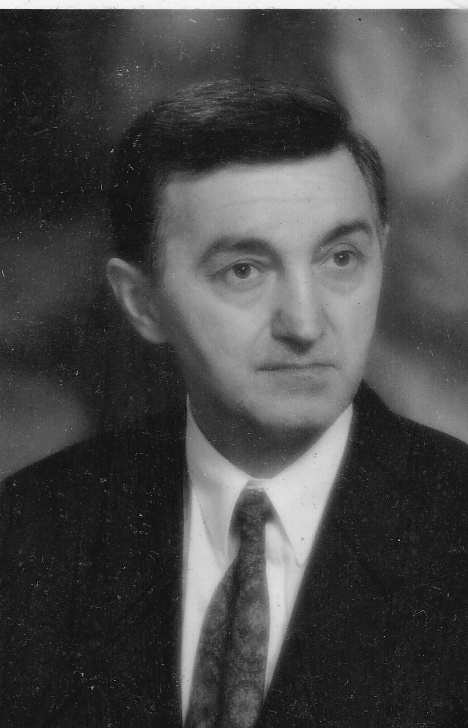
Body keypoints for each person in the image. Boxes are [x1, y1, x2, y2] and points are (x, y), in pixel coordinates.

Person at [1, 79, 467, 728]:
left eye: (340, 258)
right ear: (141, 303)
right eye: (243, 270)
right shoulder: (28, 534)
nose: (305, 323)